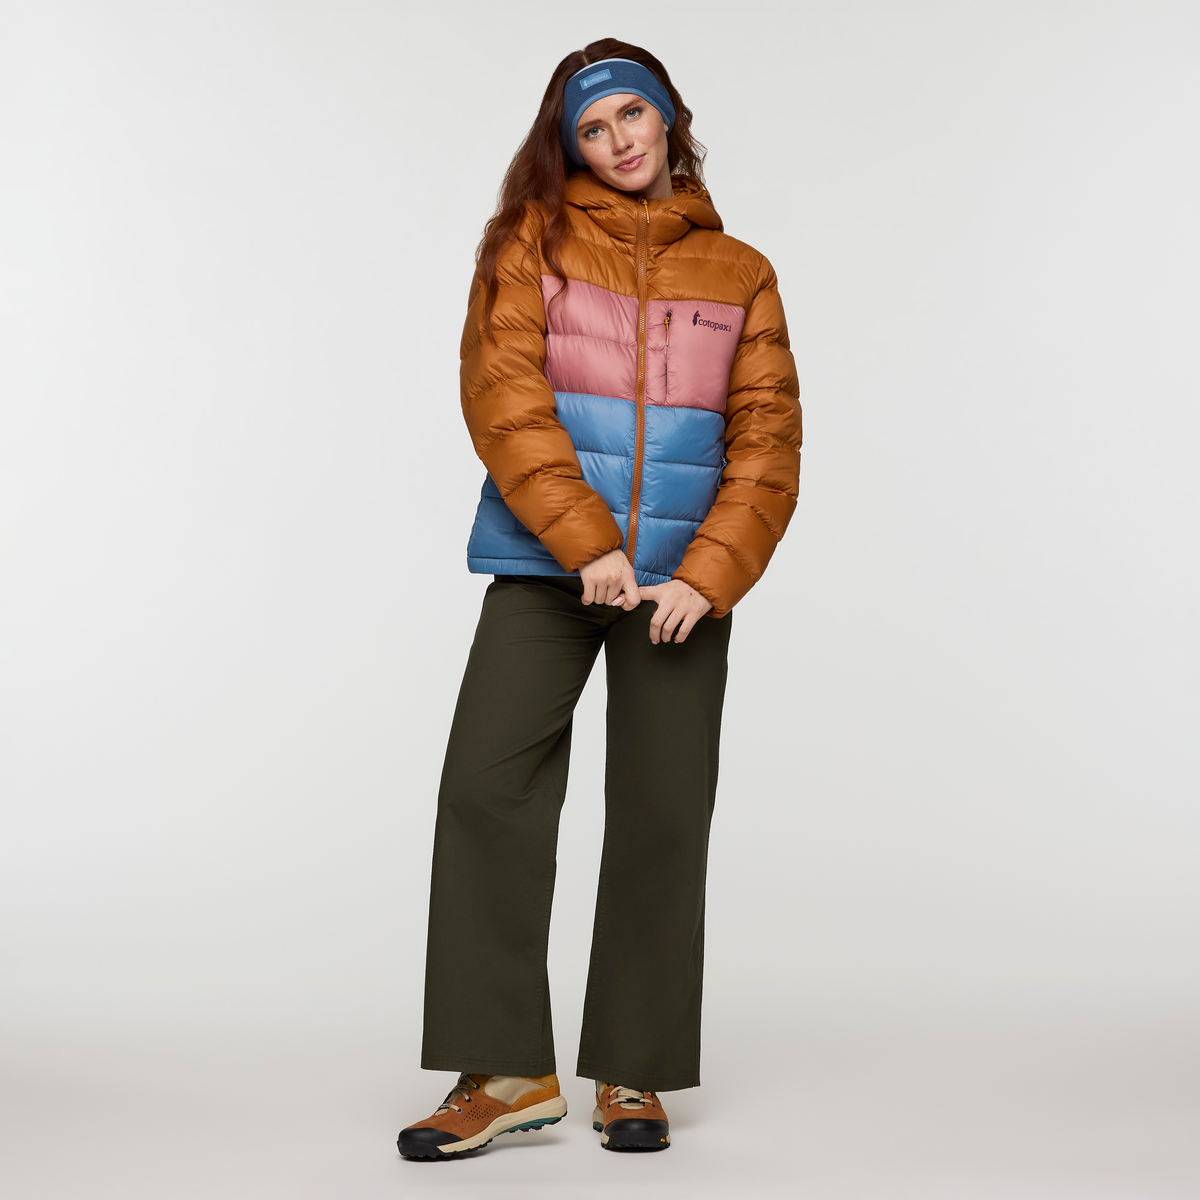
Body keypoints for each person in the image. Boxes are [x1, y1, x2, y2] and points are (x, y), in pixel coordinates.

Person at [397, 38, 801, 1159]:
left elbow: (768, 440)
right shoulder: (530, 242)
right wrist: (586, 543)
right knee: (486, 790)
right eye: (593, 127)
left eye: (633, 114)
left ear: (668, 117)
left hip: (678, 586)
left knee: (663, 811)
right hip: (548, 565)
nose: (619, 140)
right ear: (567, 144)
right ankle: (507, 1071)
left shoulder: (740, 272)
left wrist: (707, 575)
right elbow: (504, 398)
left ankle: (635, 1065)